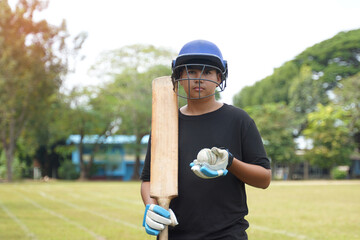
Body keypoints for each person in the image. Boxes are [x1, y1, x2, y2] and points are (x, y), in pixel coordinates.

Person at [140, 39, 271, 240]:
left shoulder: (238, 120)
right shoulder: (164, 124)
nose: (199, 78)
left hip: (227, 235)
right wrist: (152, 206)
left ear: (219, 78)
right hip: (173, 234)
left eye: (207, 72)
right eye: (191, 71)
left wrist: (230, 162)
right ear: (179, 77)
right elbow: (149, 180)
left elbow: (264, 179)